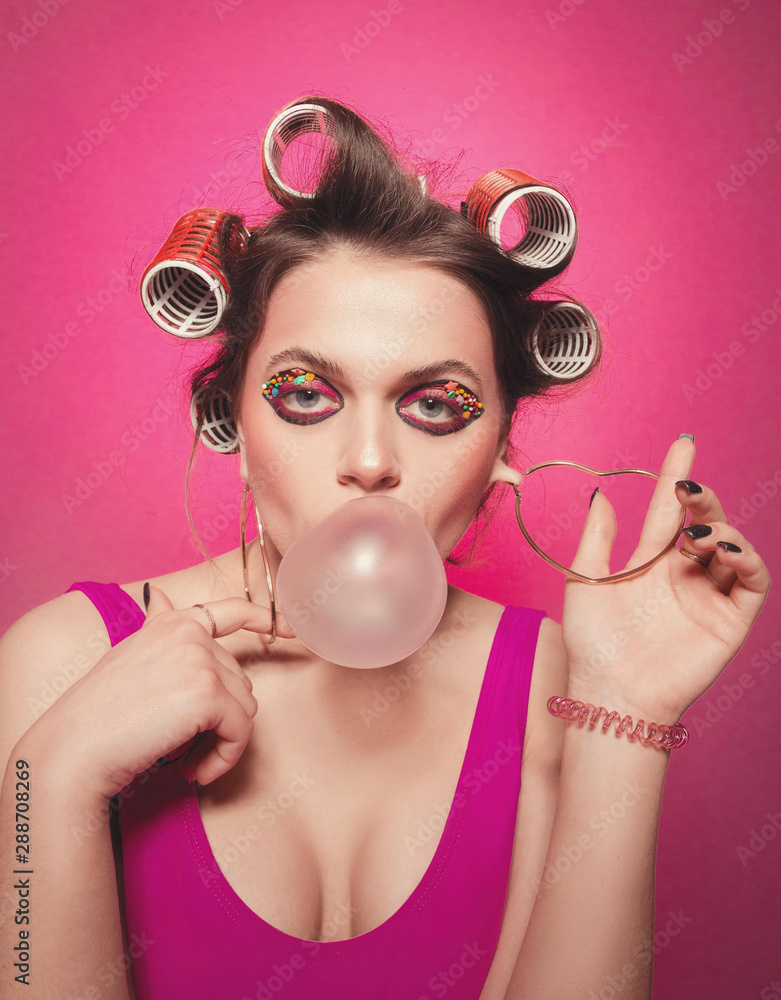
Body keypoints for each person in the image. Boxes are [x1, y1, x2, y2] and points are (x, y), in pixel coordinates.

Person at [0, 95, 770, 1000]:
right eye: (303, 393)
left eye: (437, 405)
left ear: (500, 452)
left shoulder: (565, 689)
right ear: (233, 423)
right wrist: (43, 785)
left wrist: (625, 718)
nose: (369, 463)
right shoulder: (65, 662)